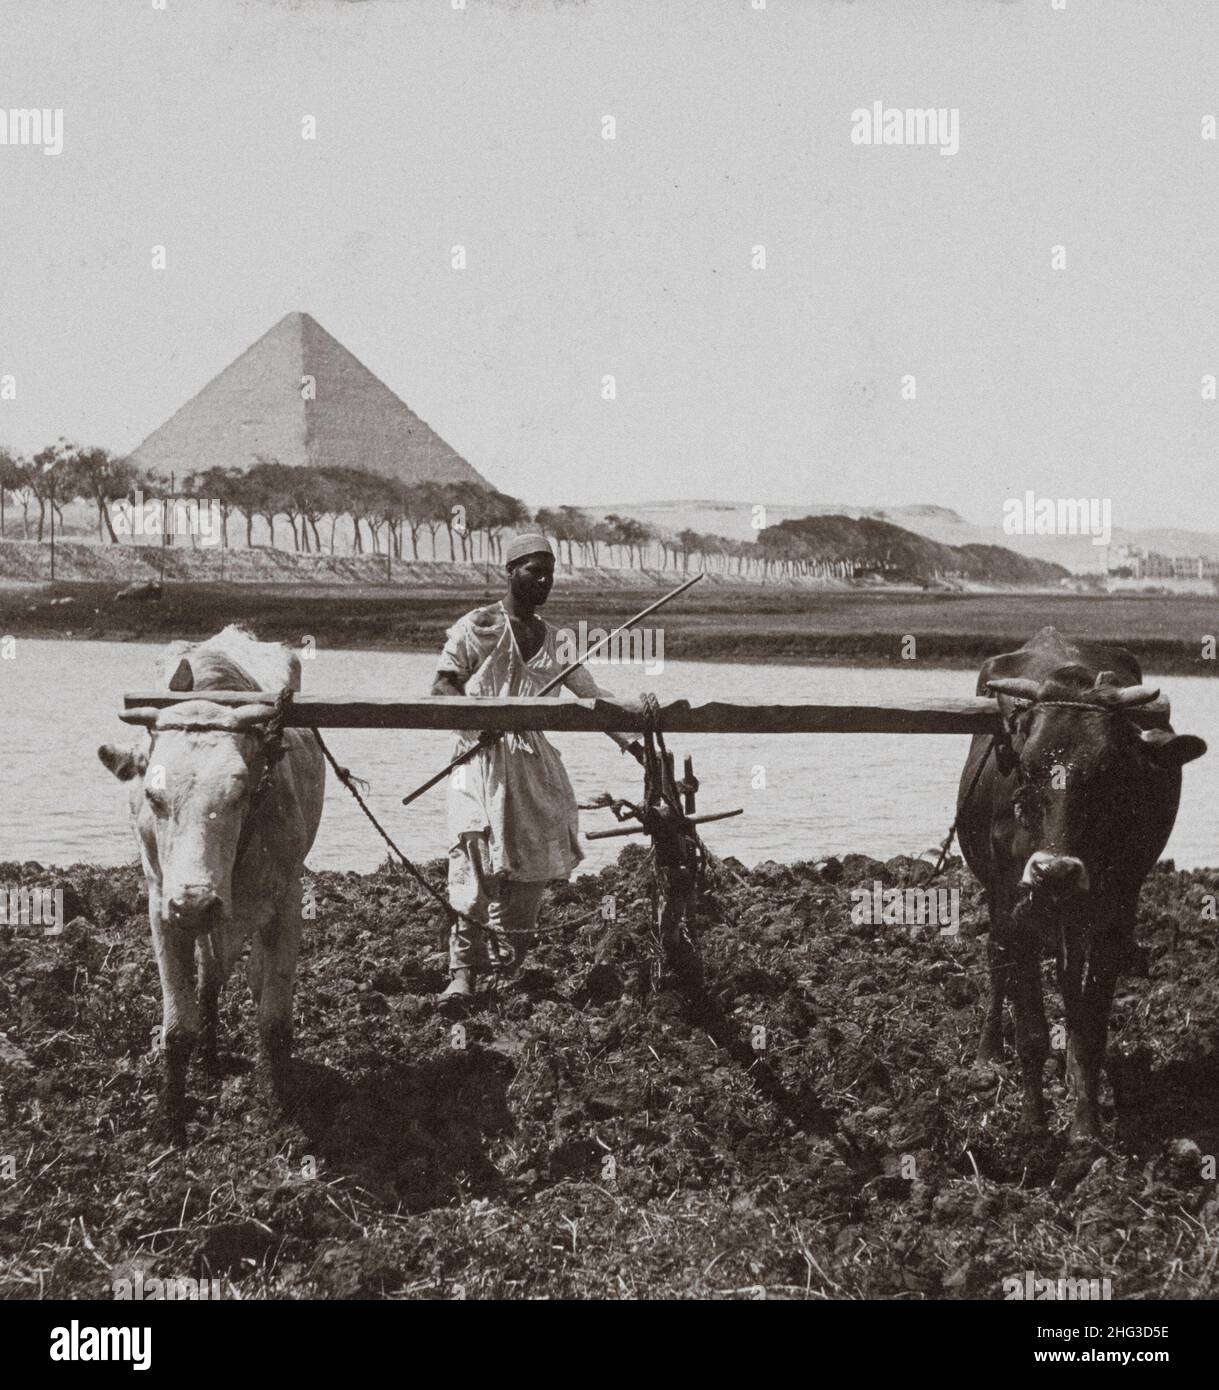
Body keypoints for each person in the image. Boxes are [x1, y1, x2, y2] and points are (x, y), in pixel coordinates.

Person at [430, 533, 644, 999]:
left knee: (528, 871)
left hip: (530, 764)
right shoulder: (478, 625)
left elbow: (593, 698)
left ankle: (510, 969)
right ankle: (462, 974)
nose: (544, 581)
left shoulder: (556, 642)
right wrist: (477, 720)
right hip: (478, 758)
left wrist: (636, 742)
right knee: (472, 861)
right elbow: (443, 685)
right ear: (510, 572)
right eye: (534, 571)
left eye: (549, 573)